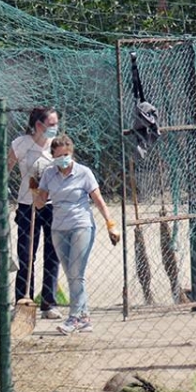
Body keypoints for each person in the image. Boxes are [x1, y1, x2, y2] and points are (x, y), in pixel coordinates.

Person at [34, 135, 121, 335]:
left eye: (67, 154)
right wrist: (34, 188)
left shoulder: (83, 173)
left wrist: (110, 223)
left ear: (71, 153)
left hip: (81, 225)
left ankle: (73, 318)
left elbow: (98, 199)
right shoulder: (49, 174)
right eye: (59, 155)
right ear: (53, 156)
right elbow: (40, 203)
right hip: (58, 227)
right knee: (71, 274)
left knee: (76, 273)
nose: (63, 159)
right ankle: (85, 317)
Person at [8, 107, 62, 320]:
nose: (54, 128)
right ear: (39, 125)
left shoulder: (56, 145)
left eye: (56, 124)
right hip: (27, 205)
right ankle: (23, 301)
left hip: (51, 205)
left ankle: (48, 303)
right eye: (51, 124)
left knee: (52, 254)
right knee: (26, 255)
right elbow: (7, 167)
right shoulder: (20, 143)